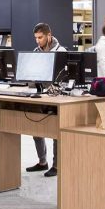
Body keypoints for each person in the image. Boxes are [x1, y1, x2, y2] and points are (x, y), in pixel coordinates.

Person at [26, 23, 65, 178]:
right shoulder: (36, 52)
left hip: (57, 96)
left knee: (56, 131)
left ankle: (57, 165)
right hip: (41, 94)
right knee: (35, 125)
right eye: (36, 38)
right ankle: (43, 162)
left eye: (40, 37)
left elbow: (63, 78)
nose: (37, 41)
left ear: (49, 35)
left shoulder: (60, 52)